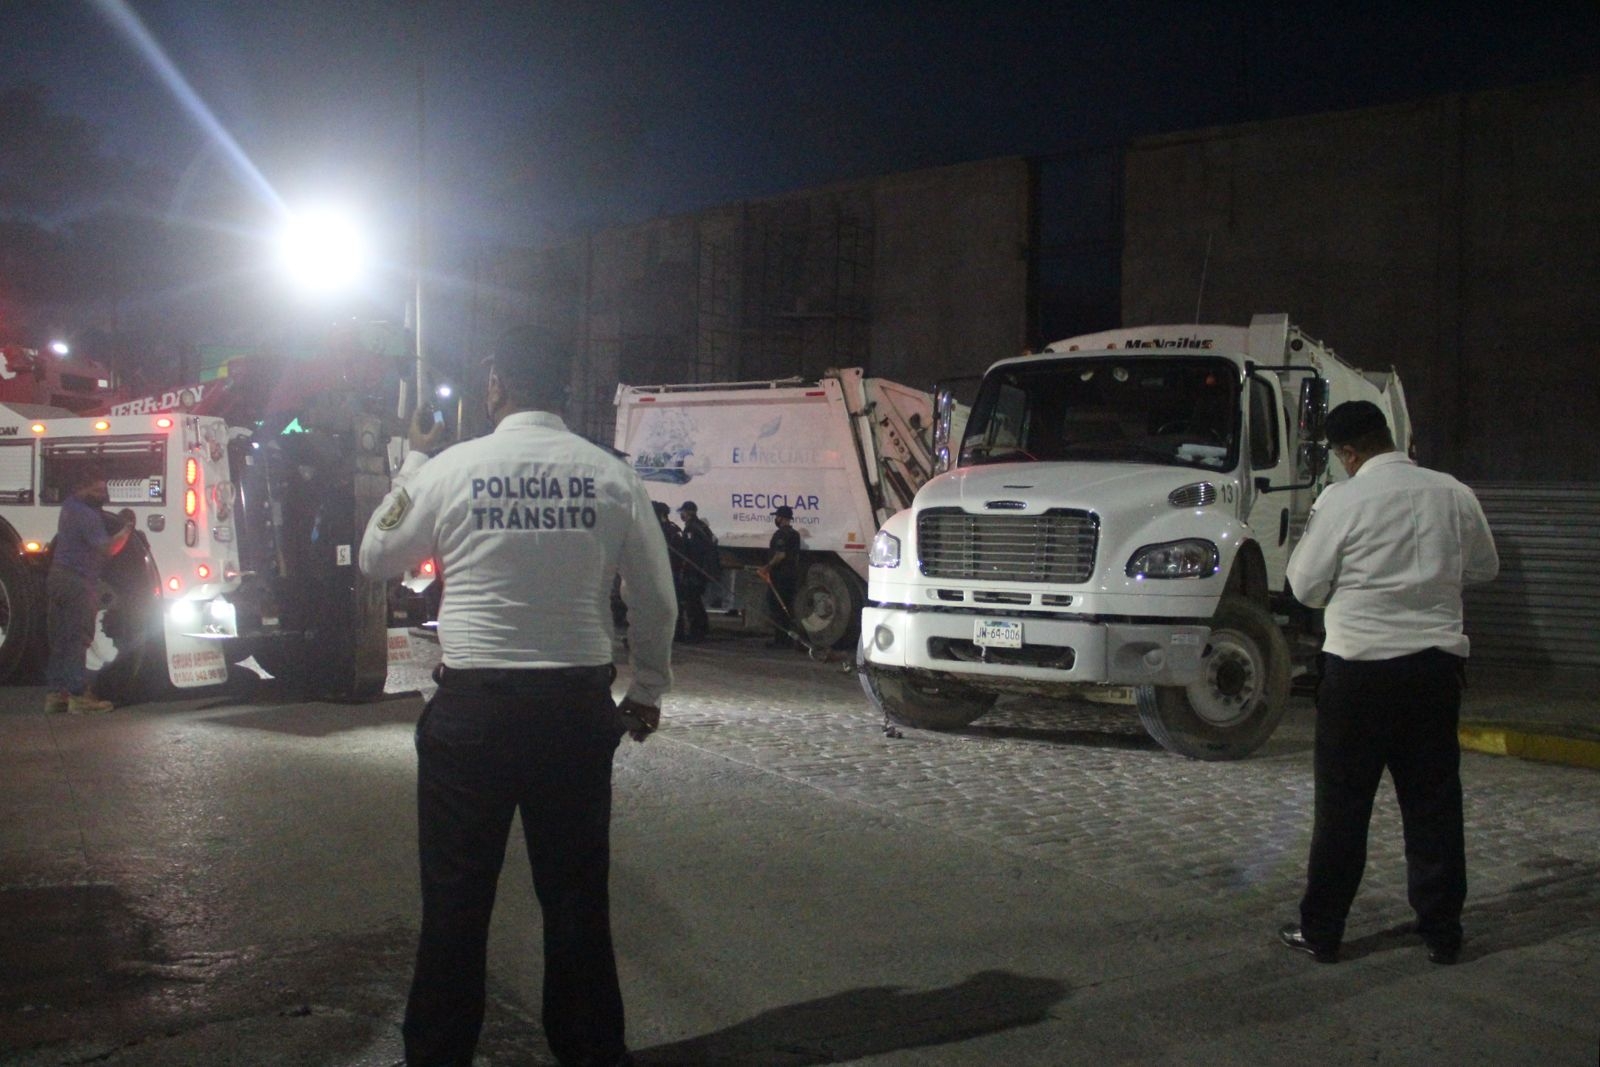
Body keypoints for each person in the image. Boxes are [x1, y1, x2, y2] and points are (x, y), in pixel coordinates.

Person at [359, 324, 676, 1067]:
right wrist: (649, 689)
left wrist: (413, 455)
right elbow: (654, 597)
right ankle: (592, 1052)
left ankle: (438, 1055)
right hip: (573, 714)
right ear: (565, 389)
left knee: (456, 906)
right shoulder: (610, 474)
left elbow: (378, 552)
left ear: (496, 384)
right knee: (575, 905)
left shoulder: (454, 469)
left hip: (472, 715)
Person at [1278, 400, 1499, 966]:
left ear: (1348, 453)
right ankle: (1443, 931)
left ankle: (1323, 931)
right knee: (1433, 804)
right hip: (1434, 671)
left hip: (1360, 673)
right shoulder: (1453, 492)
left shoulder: (1344, 500)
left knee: (1344, 809)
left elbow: (1303, 587)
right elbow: (1485, 567)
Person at [45, 470, 132, 714]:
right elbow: (108, 549)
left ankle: (56, 695)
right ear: (81, 488)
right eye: (97, 491)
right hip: (78, 583)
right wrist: (126, 530)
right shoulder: (86, 515)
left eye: (104, 490)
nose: (103, 496)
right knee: (77, 639)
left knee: (61, 638)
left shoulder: (70, 506)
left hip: (58, 577)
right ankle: (78, 696)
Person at [757, 504, 803, 649]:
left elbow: (780, 555)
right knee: (787, 608)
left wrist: (767, 567)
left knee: (777, 607)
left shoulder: (781, 534)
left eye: (777, 516)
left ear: (782, 518)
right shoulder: (795, 534)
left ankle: (781, 640)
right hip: (791, 575)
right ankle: (789, 638)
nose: (775, 519)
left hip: (780, 576)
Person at [676, 501, 719, 643]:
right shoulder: (703, 526)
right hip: (702, 571)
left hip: (694, 572)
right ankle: (702, 629)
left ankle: (697, 632)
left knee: (692, 603)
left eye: (682, 512)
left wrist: (687, 570)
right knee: (696, 602)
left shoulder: (691, 529)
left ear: (688, 512)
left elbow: (691, 553)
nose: (681, 515)